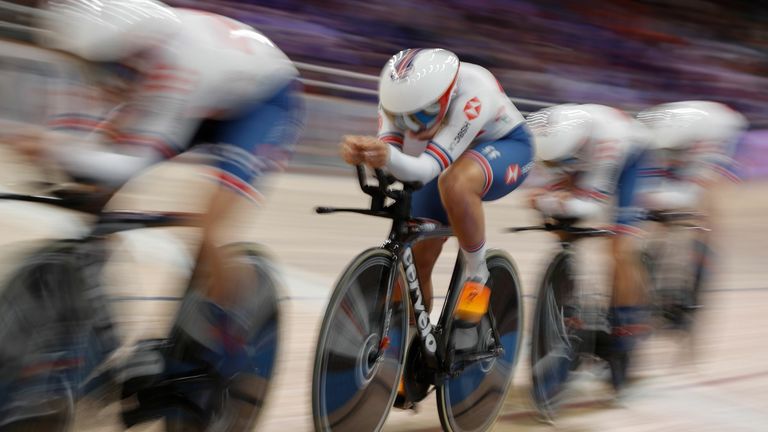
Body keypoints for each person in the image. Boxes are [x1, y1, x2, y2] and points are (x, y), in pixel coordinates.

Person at [3, 0, 303, 421]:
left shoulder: (174, 65)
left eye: (104, 68)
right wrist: (60, 156)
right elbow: (82, 134)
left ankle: (224, 344)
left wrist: (54, 148)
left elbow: (131, 160)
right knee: (95, 195)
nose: (96, 78)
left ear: (132, 53)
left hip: (260, 103)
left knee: (210, 229)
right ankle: (89, 318)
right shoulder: (115, 49)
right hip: (204, 92)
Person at [341, 48, 533, 359]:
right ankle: (415, 348)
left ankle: (477, 274)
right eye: (402, 118)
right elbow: (393, 160)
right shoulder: (396, 98)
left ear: (446, 96)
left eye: (423, 114)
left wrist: (388, 156)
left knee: (455, 182)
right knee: (418, 258)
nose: (413, 126)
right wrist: (368, 153)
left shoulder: (474, 92)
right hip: (446, 151)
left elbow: (427, 168)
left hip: (503, 146)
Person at [526, 103, 651, 402]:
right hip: (581, 158)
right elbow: (557, 187)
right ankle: (570, 303)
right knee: (564, 226)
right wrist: (551, 201)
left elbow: (592, 202)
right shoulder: (550, 139)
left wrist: (550, 201)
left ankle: (624, 324)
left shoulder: (608, 142)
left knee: (619, 247)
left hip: (630, 156)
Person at [636, 101, 746, 318]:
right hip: (678, 133)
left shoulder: (714, 135)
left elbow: (701, 182)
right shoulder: (650, 131)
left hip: (722, 133)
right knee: (657, 205)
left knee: (704, 206)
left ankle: (698, 273)